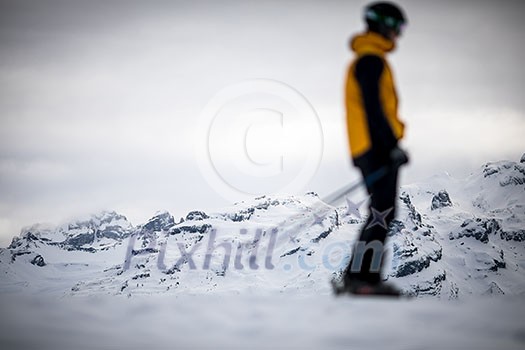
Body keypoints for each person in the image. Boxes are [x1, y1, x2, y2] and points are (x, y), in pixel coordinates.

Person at [341, 1, 409, 296]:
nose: (398, 36)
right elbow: (374, 108)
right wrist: (391, 145)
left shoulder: (369, 58)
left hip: (367, 146)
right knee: (383, 211)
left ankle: (358, 277)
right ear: (384, 25)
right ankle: (363, 280)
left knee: (381, 210)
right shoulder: (371, 60)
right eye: (397, 28)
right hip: (375, 146)